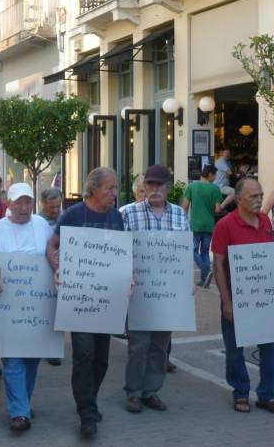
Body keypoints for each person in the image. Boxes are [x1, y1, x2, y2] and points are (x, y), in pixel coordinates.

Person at [46, 168, 125, 438]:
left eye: (116, 188)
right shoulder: (73, 215)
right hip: (79, 301)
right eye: (110, 188)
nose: (115, 193)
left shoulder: (116, 217)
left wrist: (130, 277)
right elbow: (52, 246)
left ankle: (89, 398)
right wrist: (57, 268)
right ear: (92, 189)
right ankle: (87, 414)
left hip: (107, 301)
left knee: (101, 359)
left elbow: (122, 254)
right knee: (84, 355)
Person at [0, 183, 53, 433]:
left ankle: (22, 402)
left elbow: (53, 256)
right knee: (12, 358)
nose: (24, 208)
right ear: (8, 204)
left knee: (32, 356)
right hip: (8, 304)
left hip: (37, 305)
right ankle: (19, 412)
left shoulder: (42, 225)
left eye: (28, 202)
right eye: (18, 203)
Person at [212, 177, 274, 414]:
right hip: (237, 296)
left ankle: (266, 394)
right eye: (254, 196)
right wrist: (226, 301)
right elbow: (219, 265)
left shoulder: (265, 221)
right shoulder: (225, 225)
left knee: (272, 347)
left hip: (265, 297)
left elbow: (269, 258)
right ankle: (241, 393)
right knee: (234, 349)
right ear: (239, 198)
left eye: (261, 195)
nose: (259, 199)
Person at [121, 165, 190, 414]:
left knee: (160, 346)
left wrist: (187, 280)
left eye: (159, 184)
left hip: (168, 293)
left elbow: (185, 251)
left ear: (168, 188)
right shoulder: (128, 213)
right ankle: (133, 393)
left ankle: (151, 391)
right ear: (144, 186)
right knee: (138, 345)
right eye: (150, 184)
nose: (154, 189)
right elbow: (120, 251)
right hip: (139, 292)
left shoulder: (180, 215)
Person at [182, 165, 232, 288]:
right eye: (215, 175)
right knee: (204, 251)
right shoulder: (215, 189)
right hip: (209, 225)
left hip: (195, 225)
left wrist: (183, 222)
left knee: (191, 250)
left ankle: (205, 270)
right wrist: (223, 205)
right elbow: (217, 209)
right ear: (209, 174)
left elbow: (185, 206)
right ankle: (204, 279)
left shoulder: (192, 187)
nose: (215, 178)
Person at [38, 187, 64, 367]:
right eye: (51, 207)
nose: (55, 210)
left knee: (58, 311)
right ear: (43, 204)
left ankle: (54, 349)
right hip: (42, 269)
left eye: (58, 206)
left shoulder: (65, 218)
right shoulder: (37, 220)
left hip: (61, 268)